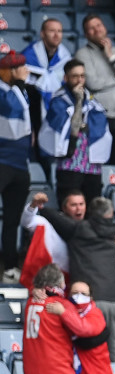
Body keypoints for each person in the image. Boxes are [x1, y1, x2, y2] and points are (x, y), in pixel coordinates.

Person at [36, 195, 115, 364]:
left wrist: (41, 206)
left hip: (91, 302)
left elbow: (52, 216)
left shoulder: (78, 229)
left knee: (89, 354)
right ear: (111, 214)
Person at [23, 264, 98, 374]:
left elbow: (35, 292)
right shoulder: (60, 305)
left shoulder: (29, 303)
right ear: (58, 283)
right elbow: (82, 329)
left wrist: (34, 290)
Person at [39, 60, 111, 205]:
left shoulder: (92, 102)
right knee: (70, 214)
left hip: (92, 167)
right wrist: (78, 102)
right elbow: (70, 128)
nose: (80, 80)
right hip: (69, 167)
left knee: (92, 213)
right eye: (75, 76)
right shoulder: (58, 101)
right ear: (66, 78)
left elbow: (98, 126)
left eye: (82, 76)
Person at [0, 51, 41, 283]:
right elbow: (10, 108)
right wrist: (19, 85)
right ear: (10, 71)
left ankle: (10, 266)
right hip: (1, 161)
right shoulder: (7, 92)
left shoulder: (21, 91)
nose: (26, 71)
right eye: (21, 67)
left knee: (12, 220)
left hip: (19, 164)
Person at [75, 14, 115, 164]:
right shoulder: (83, 54)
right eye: (91, 28)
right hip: (99, 115)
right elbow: (93, 83)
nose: (96, 30)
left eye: (98, 25)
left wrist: (111, 56)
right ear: (86, 34)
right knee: (98, 159)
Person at [66, 280, 113, 374]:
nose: (79, 297)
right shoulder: (65, 312)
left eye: (83, 294)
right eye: (74, 293)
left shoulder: (94, 315)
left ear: (91, 298)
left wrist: (63, 313)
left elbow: (83, 331)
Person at [24, 18, 72, 107]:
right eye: (52, 31)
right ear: (42, 34)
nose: (56, 35)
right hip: (33, 105)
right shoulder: (28, 55)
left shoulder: (66, 57)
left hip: (57, 106)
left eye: (59, 31)